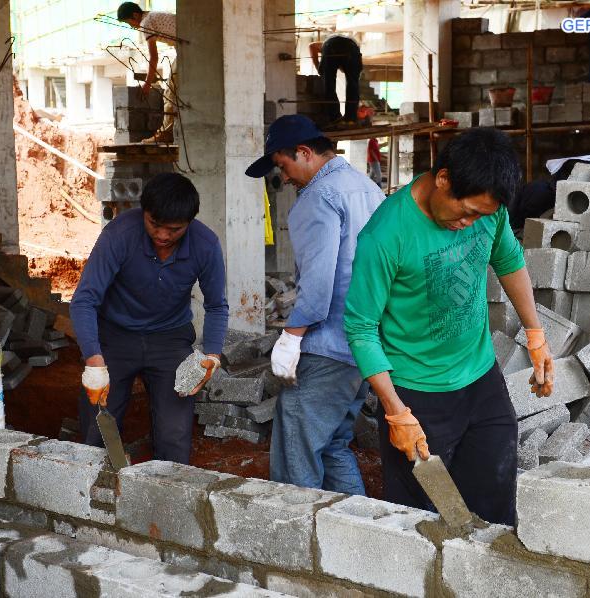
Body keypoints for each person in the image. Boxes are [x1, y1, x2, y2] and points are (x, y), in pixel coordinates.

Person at [343, 127, 554, 525]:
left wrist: (535, 333)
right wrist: (396, 413)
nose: (471, 222)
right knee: (421, 520)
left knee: (493, 507)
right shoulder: (386, 234)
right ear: (443, 179)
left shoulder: (490, 213)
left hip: (480, 378)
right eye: (467, 211)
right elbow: (360, 327)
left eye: (481, 215)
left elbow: (508, 262)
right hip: (417, 395)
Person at [245, 114, 384, 494]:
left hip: (330, 345)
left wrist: (291, 336)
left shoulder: (318, 197)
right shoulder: (366, 187)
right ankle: (356, 529)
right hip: (365, 343)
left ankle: (297, 543)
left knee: (297, 447)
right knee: (333, 444)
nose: (284, 178)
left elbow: (319, 286)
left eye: (283, 165)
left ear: (304, 152)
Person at [71, 173, 229, 465]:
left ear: (189, 223)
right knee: (97, 427)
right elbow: (84, 300)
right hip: (115, 336)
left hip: (170, 338)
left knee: (174, 433)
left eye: (174, 229)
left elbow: (217, 306)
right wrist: (93, 359)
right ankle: (94, 496)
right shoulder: (120, 234)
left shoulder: (205, 245)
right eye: (155, 224)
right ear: (143, 212)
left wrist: (213, 355)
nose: (163, 235)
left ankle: (166, 498)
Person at [117, 2, 178, 142]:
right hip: (187, 45)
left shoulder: (145, 23)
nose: (131, 26)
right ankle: (168, 130)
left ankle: (166, 134)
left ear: (135, 15)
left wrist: (147, 84)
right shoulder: (152, 17)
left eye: (129, 22)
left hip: (188, 48)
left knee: (171, 92)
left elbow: (154, 57)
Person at [309, 35, 363, 125]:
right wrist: (354, 75)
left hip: (331, 46)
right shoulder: (354, 47)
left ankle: (335, 118)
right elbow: (358, 68)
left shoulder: (327, 43)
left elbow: (311, 46)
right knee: (353, 85)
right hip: (350, 48)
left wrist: (318, 66)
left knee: (329, 84)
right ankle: (351, 119)